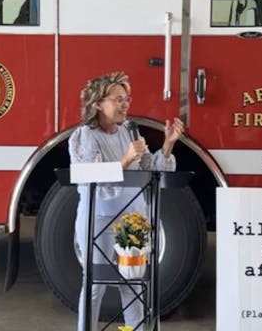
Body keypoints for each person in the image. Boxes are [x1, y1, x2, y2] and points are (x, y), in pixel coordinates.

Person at [69, 71, 185, 331]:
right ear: (98, 103)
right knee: (95, 282)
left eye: (127, 99)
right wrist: (124, 161)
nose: (125, 104)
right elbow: (87, 174)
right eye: (118, 99)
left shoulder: (129, 132)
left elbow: (148, 168)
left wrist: (167, 146)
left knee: (132, 281)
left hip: (132, 217)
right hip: (98, 218)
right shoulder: (84, 136)